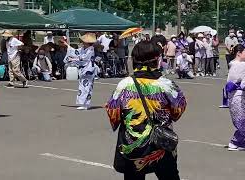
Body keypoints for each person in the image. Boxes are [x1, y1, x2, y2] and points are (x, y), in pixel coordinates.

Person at [106, 41, 186, 180]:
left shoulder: (124, 84)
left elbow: (113, 114)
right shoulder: (166, 84)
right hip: (161, 143)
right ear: (157, 59)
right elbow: (178, 110)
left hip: (133, 144)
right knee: (169, 176)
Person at [63, 33, 98, 110]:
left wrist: (73, 59)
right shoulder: (83, 48)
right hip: (84, 69)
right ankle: (84, 104)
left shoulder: (91, 49)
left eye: (84, 41)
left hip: (89, 70)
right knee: (83, 86)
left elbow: (84, 58)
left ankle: (84, 104)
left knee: (87, 87)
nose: (82, 42)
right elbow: (75, 52)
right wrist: (67, 45)